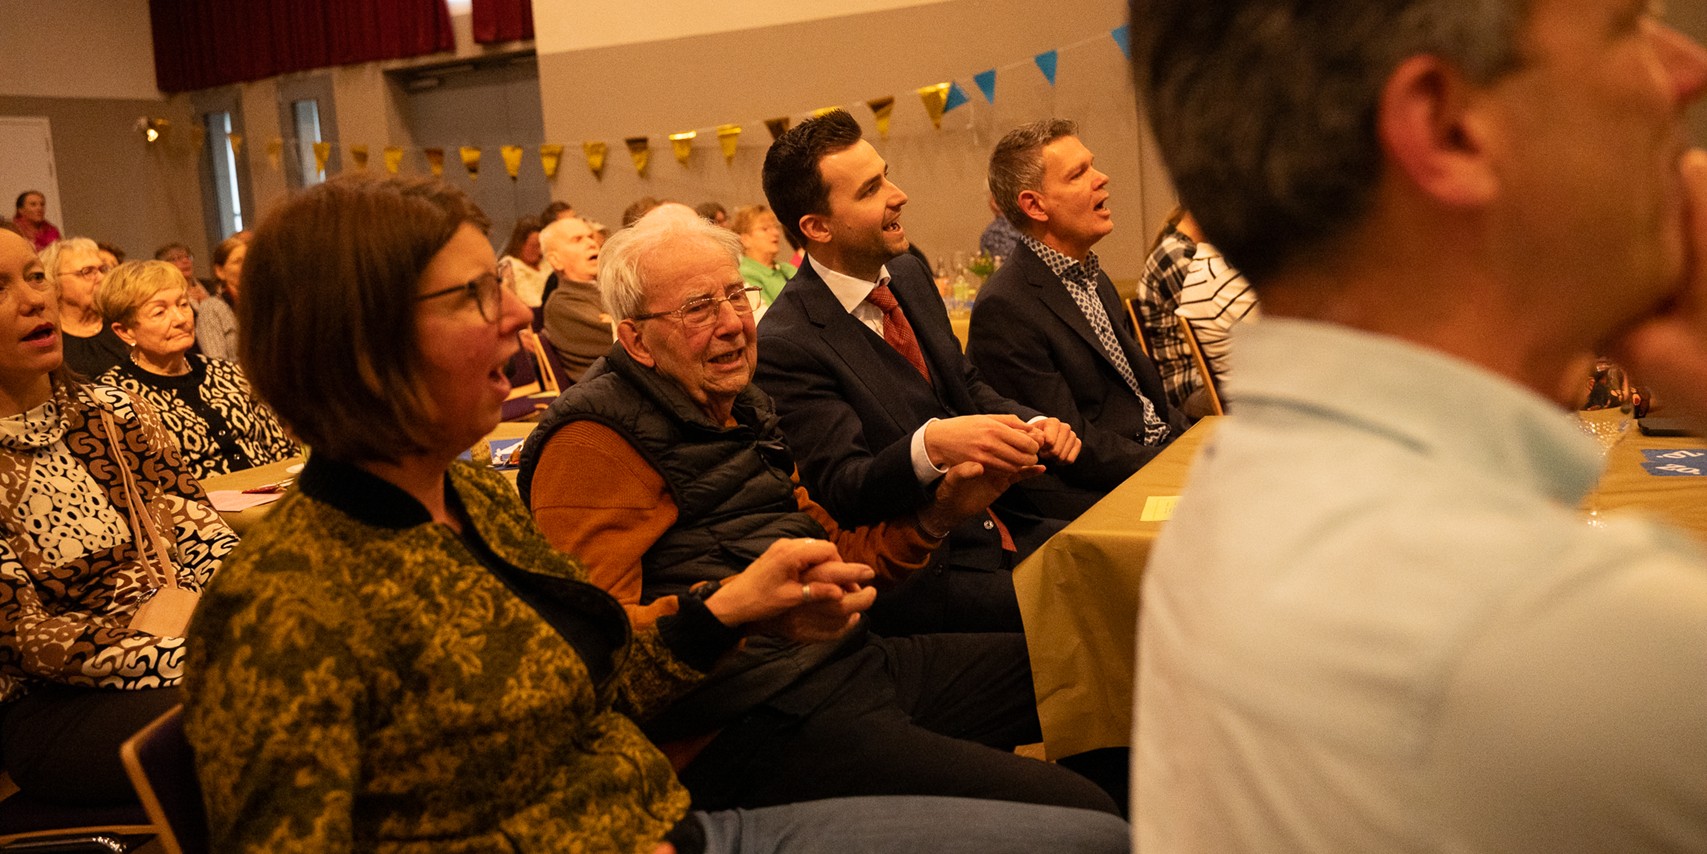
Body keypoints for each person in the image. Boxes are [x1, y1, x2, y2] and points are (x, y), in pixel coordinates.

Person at [183, 173, 1129, 852]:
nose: (520, 317)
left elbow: (596, 672)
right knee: (1091, 836)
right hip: (721, 767)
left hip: (680, 806)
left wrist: (735, 612)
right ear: (362, 343)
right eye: (477, 296)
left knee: (1109, 713)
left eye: (734, 299)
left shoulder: (468, 496)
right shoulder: (284, 601)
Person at [1127, 0, 1707, 851]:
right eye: (1626, 25)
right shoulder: (1571, 637)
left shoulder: (1235, 496)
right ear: (1446, 129)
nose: (1685, 69)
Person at [516, 211, 1120, 816]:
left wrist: (943, 511)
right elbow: (597, 656)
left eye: (736, 296)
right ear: (636, 341)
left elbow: (840, 556)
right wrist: (736, 611)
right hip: (747, 723)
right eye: (698, 308)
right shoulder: (592, 443)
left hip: (848, 665)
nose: (733, 324)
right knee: (1078, 810)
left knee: (1107, 667)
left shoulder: (742, 405)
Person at [755, 109, 1081, 635]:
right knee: (1093, 606)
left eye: (885, 174)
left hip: (1004, 521)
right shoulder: (785, 343)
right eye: (869, 190)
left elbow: (966, 385)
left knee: (1136, 563)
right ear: (816, 227)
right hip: (929, 573)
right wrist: (933, 446)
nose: (898, 193)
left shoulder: (906, 273)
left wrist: (1031, 423)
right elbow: (846, 489)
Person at [0, 224, 236, 806]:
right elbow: (32, 640)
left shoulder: (112, 410)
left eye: (35, 277)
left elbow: (199, 529)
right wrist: (193, 655)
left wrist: (247, 611)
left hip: (179, 636)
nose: (33, 298)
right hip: (55, 704)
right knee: (264, 705)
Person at [968, 120, 1189, 519]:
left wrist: (1189, 442)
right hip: (1094, 493)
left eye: (1092, 165)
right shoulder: (1005, 306)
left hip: (1150, 458)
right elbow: (1074, 444)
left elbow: (1142, 398)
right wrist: (1170, 466)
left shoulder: (1093, 276)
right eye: (1079, 174)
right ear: (1035, 205)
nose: (1101, 178)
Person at [94, 260, 295, 480]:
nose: (181, 319)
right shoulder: (114, 398)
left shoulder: (228, 373)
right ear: (125, 331)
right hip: (198, 510)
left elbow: (283, 450)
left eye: (183, 304)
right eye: (160, 312)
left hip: (273, 497)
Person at [1132, 207, 1202, 410]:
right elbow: (1220, 329)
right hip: (1187, 386)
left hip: (1199, 379)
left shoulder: (1183, 248)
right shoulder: (1177, 255)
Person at [1172, 237, 1259, 382]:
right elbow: (1284, 344)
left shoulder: (1210, 268)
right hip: (1255, 393)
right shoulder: (1221, 276)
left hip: (1254, 386)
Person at [39, 237, 126, 377]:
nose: (101, 278)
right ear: (54, 280)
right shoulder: (47, 337)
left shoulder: (121, 323)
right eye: (87, 271)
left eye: (102, 269)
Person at [538, 215, 610, 382]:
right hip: (608, 395)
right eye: (577, 240)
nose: (592, 243)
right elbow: (621, 338)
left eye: (590, 237)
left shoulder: (607, 288)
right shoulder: (561, 304)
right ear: (556, 261)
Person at [732, 204, 796, 308]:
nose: (776, 233)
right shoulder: (744, 276)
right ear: (745, 240)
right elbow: (772, 316)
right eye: (765, 229)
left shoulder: (787, 268)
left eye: (775, 227)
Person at [194, 233, 245, 361]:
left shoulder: (263, 303)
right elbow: (217, 362)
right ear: (220, 271)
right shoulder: (211, 308)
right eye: (238, 262)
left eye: (248, 259)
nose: (246, 266)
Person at [498, 215, 550, 309]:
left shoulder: (546, 262)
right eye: (534, 246)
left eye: (541, 246)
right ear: (520, 244)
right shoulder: (510, 266)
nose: (539, 251)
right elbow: (532, 302)